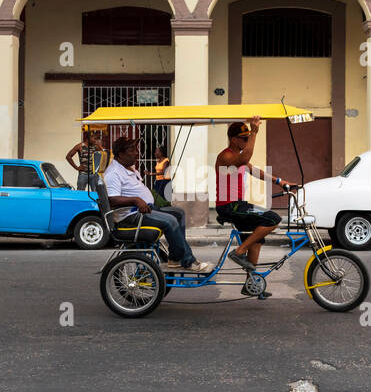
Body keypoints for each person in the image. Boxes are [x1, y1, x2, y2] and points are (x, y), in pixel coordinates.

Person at [104, 135, 212, 274]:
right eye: (132, 150)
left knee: (178, 213)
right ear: (120, 154)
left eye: (136, 149)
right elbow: (112, 199)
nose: (136, 152)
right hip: (131, 216)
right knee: (171, 221)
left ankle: (175, 258)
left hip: (145, 209)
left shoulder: (128, 168)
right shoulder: (114, 172)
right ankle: (188, 261)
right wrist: (136, 200)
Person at [215, 116, 296, 294]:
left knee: (257, 240)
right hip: (230, 206)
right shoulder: (226, 156)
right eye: (244, 138)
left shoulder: (239, 158)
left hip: (239, 205)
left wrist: (281, 182)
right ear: (234, 139)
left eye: (247, 138)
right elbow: (246, 158)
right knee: (273, 218)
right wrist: (255, 132)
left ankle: (251, 285)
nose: (246, 141)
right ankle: (239, 251)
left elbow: (256, 171)